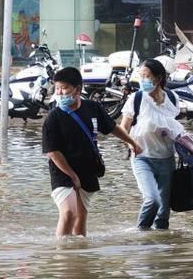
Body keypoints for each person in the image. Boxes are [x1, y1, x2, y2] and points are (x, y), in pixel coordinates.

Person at [42, 67, 141, 238]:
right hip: (62, 171)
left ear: (78, 89)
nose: (60, 92)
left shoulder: (92, 108)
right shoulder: (53, 118)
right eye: (57, 88)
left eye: (64, 88)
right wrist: (72, 175)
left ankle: (79, 260)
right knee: (68, 213)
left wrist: (131, 142)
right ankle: (61, 256)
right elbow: (52, 152)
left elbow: (112, 128)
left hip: (88, 168)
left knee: (80, 219)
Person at [121, 58, 184, 230]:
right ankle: (141, 233)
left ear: (158, 78)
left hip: (166, 159)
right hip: (142, 158)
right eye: (141, 76)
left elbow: (174, 128)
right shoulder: (136, 98)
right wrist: (130, 143)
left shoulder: (172, 98)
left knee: (163, 211)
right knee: (152, 199)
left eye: (146, 76)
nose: (143, 80)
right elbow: (123, 127)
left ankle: (159, 249)